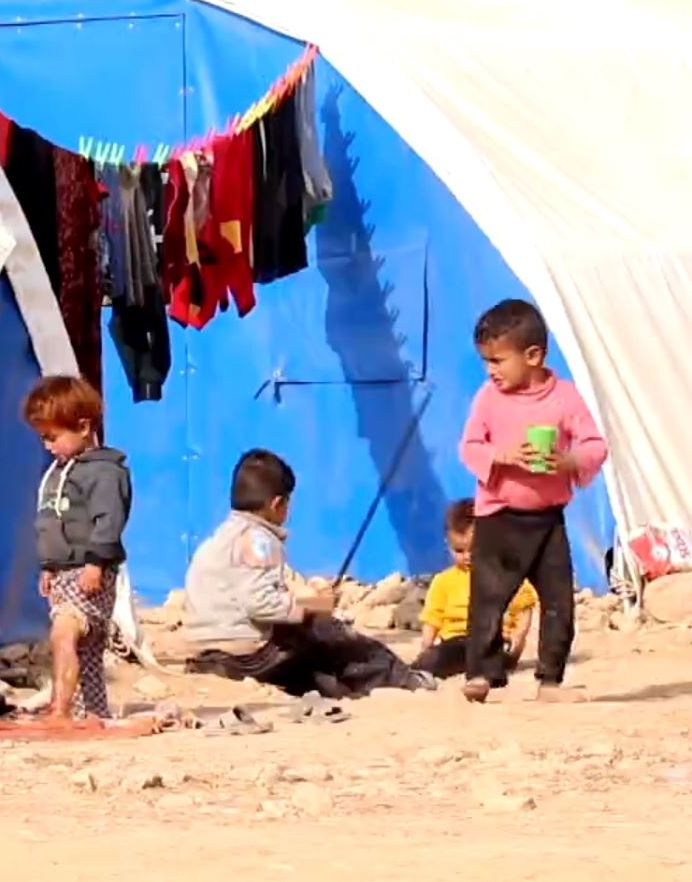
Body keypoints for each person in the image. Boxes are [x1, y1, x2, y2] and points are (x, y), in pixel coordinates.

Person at [183, 449, 434, 698]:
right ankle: (404, 679)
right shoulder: (259, 540)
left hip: (208, 653)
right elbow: (260, 604)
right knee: (330, 632)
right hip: (247, 656)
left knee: (312, 662)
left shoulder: (217, 541)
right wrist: (311, 607)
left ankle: (337, 687)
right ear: (277, 504)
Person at [459, 298, 607, 703]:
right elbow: (469, 447)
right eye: (486, 361)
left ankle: (550, 682)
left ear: (533, 356)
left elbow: (595, 445)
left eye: (497, 360)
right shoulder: (488, 398)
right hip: (499, 517)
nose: (491, 370)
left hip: (547, 520)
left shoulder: (565, 398)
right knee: (488, 598)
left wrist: (569, 460)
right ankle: (481, 674)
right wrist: (501, 456)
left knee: (558, 601)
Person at [24, 376, 132, 720]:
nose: (47, 446)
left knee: (64, 635)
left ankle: (60, 709)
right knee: (83, 648)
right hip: (65, 574)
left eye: (53, 437)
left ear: (84, 427)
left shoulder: (103, 473)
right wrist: (48, 565)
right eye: (43, 438)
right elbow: (52, 522)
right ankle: (92, 712)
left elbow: (109, 520)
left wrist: (96, 564)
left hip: (89, 572)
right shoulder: (59, 473)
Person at [415, 499, 538, 679]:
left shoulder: (506, 576)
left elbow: (524, 609)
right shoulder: (443, 581)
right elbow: (432, 618)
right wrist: (427, 645)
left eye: (474, 549)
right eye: (459, 550)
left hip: (495, 643)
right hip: (455, 641)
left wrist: (518, 640)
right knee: (439, 657)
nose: (468, 556)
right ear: (448, 545)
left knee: (485, 655)